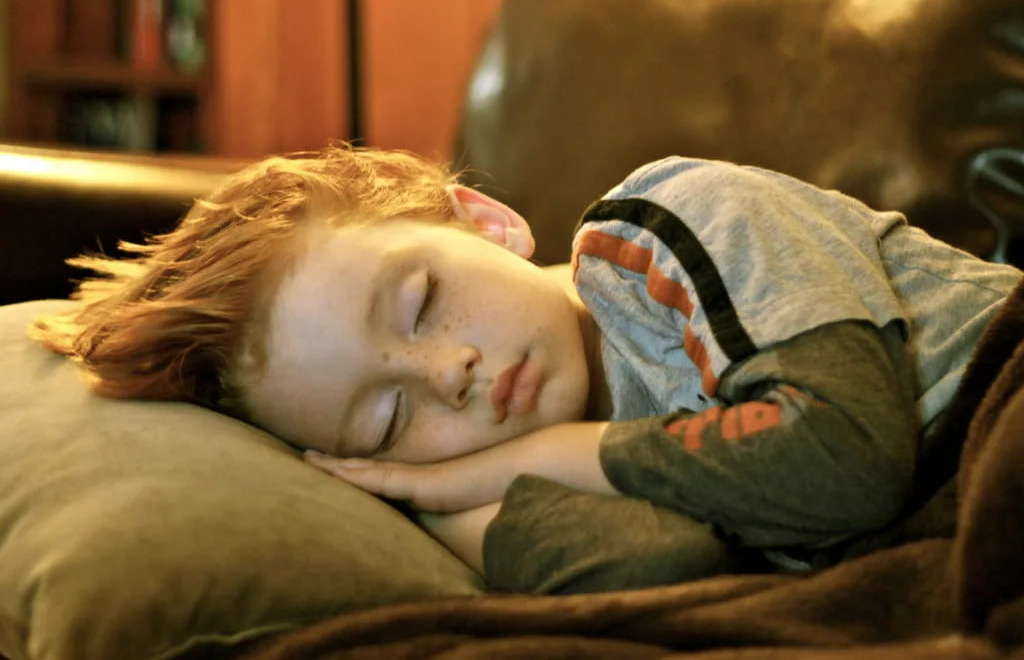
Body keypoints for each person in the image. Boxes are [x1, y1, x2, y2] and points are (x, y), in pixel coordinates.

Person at [33, 144, 1022, 592]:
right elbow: (659, 567)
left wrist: (533, 453)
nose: (449, 374)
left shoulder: (665, 226)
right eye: (387, 420)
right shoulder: (482, 475)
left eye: (420, 301)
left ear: (486, 223)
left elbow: (842, 457)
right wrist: (445, 500)